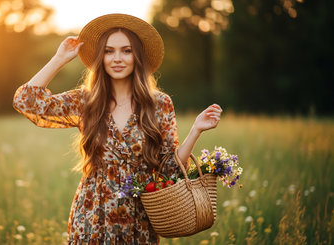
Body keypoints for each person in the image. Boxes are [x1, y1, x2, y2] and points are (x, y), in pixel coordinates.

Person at [13, 13, 222, 244]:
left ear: (137, 56)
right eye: (109, 51)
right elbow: (25, 101)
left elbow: (169, 169)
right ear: (100, 58)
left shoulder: (159, 104)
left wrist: (196, 131)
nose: (117, 58)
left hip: (139, 218)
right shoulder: (86, 101)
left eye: (127, 50)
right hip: (92, 215)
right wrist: (59, 58)